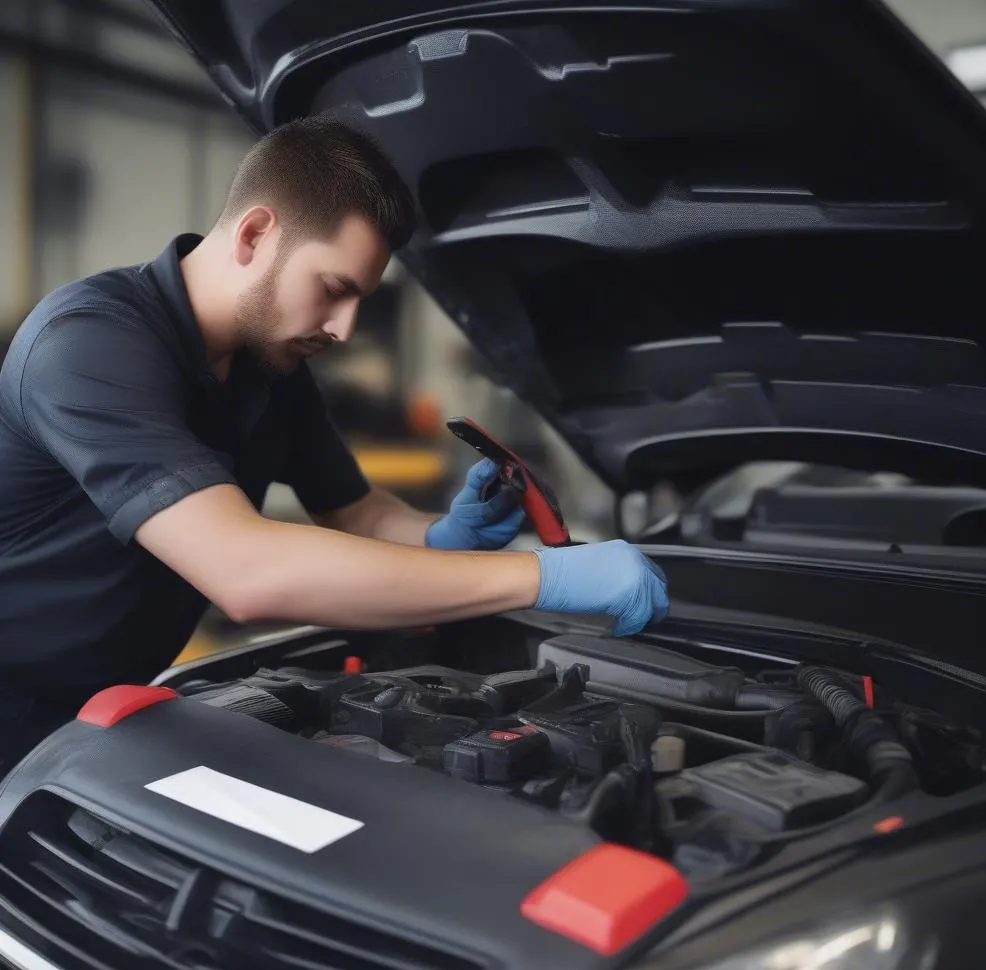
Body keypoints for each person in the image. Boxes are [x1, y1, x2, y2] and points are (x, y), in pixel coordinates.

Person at [0, 114, 668, 763]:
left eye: (360, 304)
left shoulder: (270, 366)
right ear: (256, 234)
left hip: (98, 713)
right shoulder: (89, 344)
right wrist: (542, 577)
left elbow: (359, 513)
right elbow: (244, 571)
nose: (344, 329)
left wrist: (442, 537)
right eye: (332, 290)